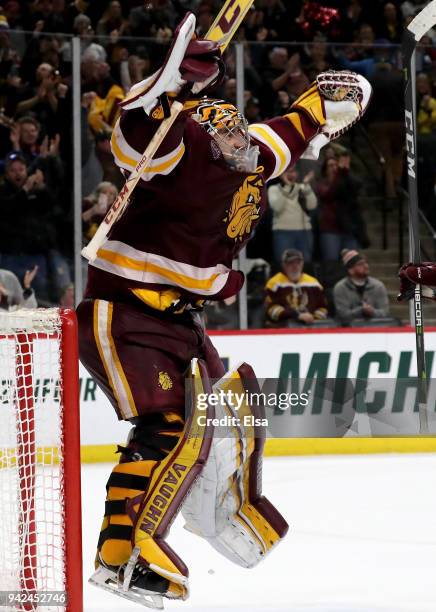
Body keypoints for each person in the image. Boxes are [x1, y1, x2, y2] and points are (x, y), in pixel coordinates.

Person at [76, 13, 371, 608]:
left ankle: (225, 513)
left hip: (181, 320)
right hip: (125, 309)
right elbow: (132, 133)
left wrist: (337, 98)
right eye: (222, 132)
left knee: (232, 409)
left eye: (236, 128)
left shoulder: (253, 154)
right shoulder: (177, 150)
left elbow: (304, 119)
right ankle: (121, 551)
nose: (235, 137)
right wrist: (168, 83)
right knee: (166, 425)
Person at [268, 165, 317, 264]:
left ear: (297, 174)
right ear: (281, 174)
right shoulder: (274, 189)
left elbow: (312, 205)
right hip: (283, 232)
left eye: (293, 171)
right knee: (283, 263)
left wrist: (307, 185)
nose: (290, 174)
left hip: (304, 232)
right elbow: (277, 207)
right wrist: (287, 186)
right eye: (287, 172)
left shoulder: (302, 187)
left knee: (306, 263)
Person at [265, 248, 328, 325]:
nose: (295, 266)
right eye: (291, 263)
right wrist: (297, 316)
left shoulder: (314, 283)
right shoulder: (274, 283)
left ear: (303, 264)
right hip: (283, 327)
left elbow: (323, 308)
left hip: (311, 327)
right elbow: (272, 310)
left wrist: (313, 318)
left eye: (298, 262)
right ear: (283, 265)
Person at [333, 249, 390, 325]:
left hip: (374, 329)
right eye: (360, 264)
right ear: (351, 270)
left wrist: (372, 312)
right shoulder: (340, 288)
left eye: (366, 263)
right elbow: (343, 315)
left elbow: (385, 313)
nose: (366, 266)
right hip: (348, 331)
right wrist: (361, 311)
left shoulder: (378, 286)